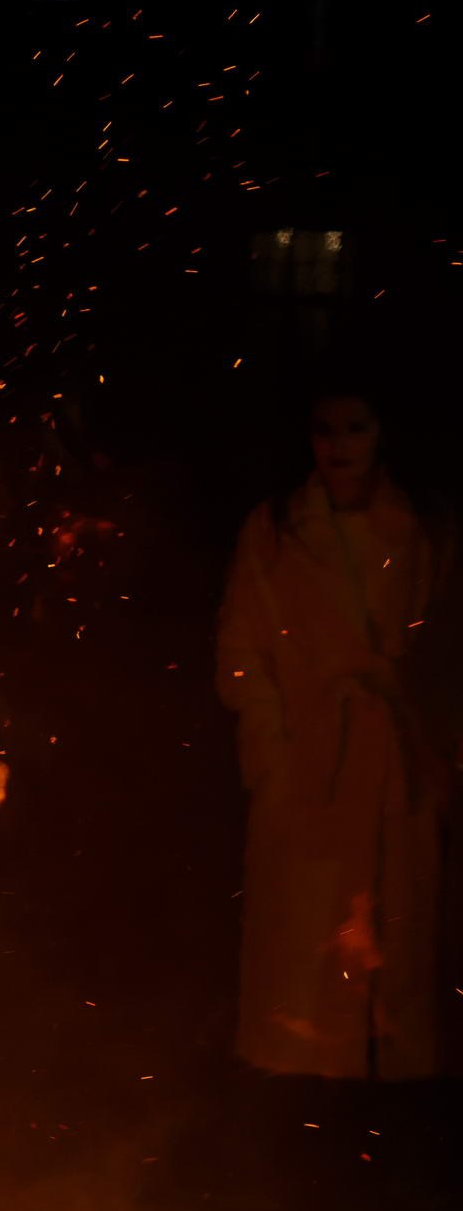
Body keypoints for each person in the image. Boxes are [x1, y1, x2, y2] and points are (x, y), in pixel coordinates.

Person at [217, 380, 455, 1080]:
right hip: (311, 760)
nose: (339, 445)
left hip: (398, 761)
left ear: (382, 433)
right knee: (304, 939)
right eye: (326, 429)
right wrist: (271, 753)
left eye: (356, 428)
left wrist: (438, 746)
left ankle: (396, 1085)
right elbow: (242, 646)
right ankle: (300, 1089)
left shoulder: (427, 529)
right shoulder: (275, 529)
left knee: (396, 930)